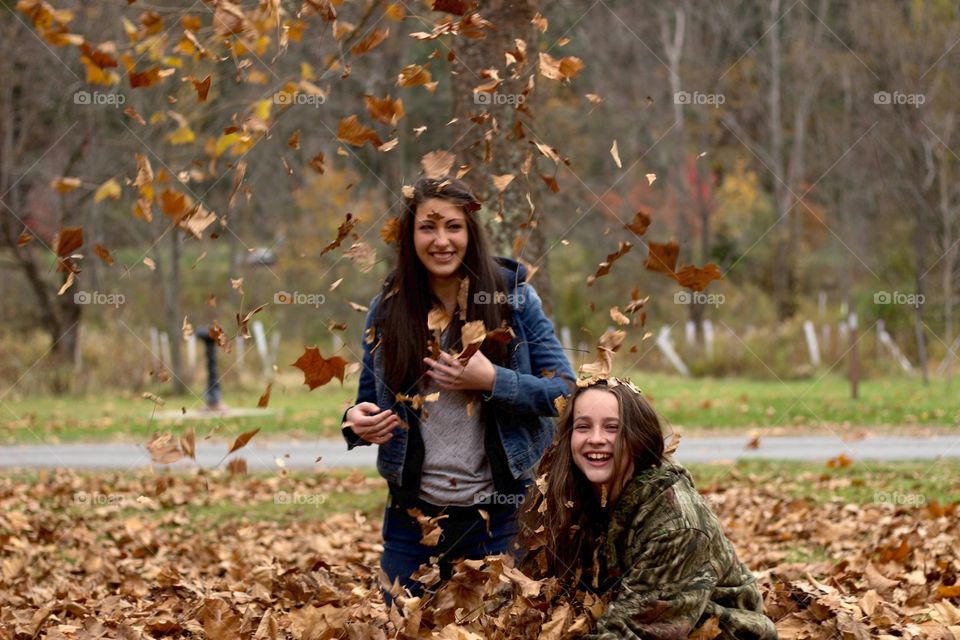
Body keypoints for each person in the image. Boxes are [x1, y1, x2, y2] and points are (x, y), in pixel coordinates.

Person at [341, 176, 575, 602]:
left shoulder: (514, 299)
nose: (441, 240)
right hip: (412, 518)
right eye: (427, 227)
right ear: (410, 236)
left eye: (453, 226)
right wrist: (355, 423)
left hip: (500, 513)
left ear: (471, 232)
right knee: (401, 628)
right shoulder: (387, 308)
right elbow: (366, 402)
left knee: (498, 628)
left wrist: (492, 381)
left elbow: (564, 391)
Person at [518, 378, 777, 639]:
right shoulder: (569, 496)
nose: (596, 439)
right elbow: (534, 592)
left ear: (638, 438)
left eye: (612, 428)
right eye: (583, 426)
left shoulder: (676, 524)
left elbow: (632, 634)